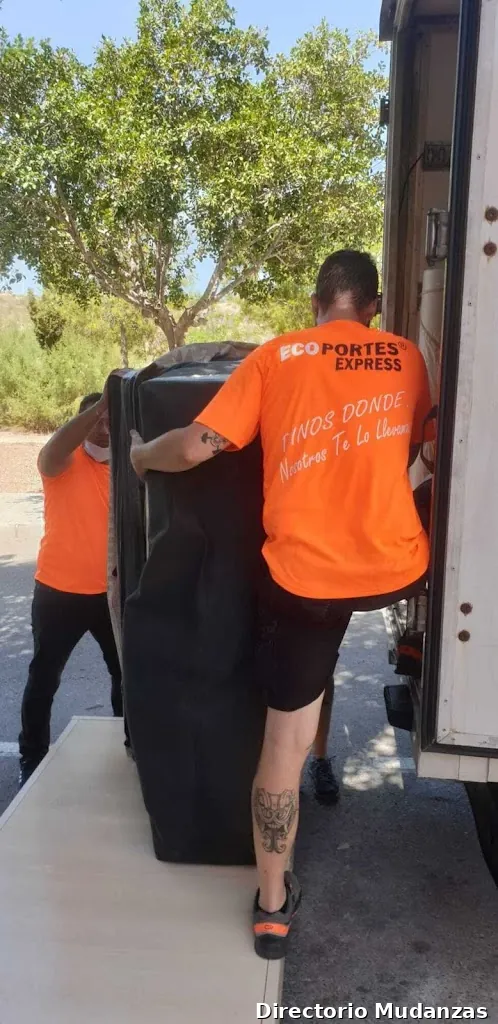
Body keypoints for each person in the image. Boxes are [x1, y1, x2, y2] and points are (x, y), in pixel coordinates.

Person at [129, 250, 433, 961]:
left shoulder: (278, 356)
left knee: (281, 740)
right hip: (395, 569)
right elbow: (423, 449)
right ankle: (403, 654)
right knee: (328, 649)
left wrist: (141, 458)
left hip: (308, 580)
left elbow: (198, 447)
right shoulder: (408, 358)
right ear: (373, 306)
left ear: (315, 301)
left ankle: (272, 909)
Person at [19, 391, 123, 787]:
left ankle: (127, 747)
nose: (104, 426)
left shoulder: (125, 470)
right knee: (44, 678)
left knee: (125, 677)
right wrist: (100, 406)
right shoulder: (61, 463)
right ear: (82, 422)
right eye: (97, 419)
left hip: (110, 594)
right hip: (57, 593)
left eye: (110, 420)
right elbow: (54, 447)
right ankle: (32, 757)